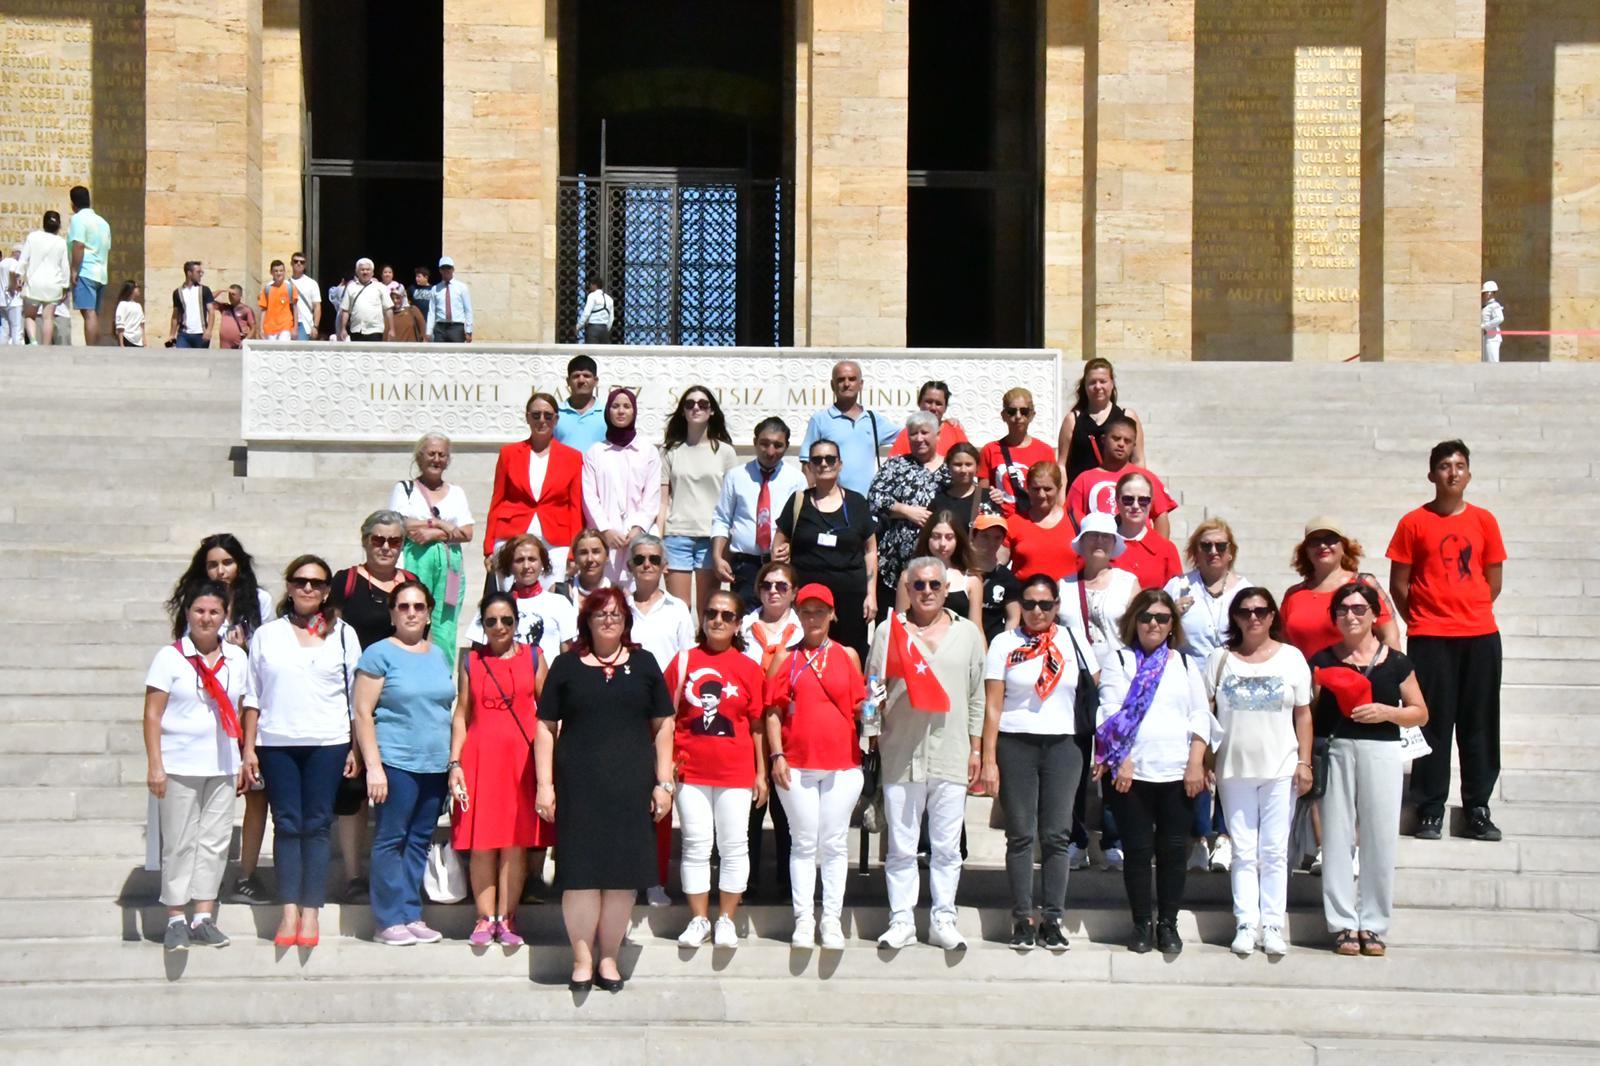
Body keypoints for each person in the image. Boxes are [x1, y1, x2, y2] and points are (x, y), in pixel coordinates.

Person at [534, 587, 675, 992]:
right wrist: (545, 785)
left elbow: (664, 723)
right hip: (578, 786)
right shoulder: (566, 665)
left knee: (620, 877)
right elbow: (545, 727)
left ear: (626, 619)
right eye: (600, 614)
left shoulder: (646, 664)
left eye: (615, 613)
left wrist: (664, 782)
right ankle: (582, 959)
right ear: (587, 621)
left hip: (631, 786)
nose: (608, 620)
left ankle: (609, 957)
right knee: (580, 876)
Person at [1387, 439, 1507, 842]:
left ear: (1469, 474)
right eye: (1443, 466)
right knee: (1432, 723)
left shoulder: (1484, 520)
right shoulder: (1413, 522)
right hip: (1430, 637)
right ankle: (1430, 807)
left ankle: (1477, 806)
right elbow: (1399, 584)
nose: (1452, 472)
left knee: (1479, 723)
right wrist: (1423, 619)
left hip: (1479, 635)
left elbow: (1493, 580)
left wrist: (1467, 612)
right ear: (1431, 474)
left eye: (1459, 465)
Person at [242, 555, 363, 948]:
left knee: (316, 824)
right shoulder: (268, 634)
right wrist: (249, 748)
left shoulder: (343, 633)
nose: (308, 588)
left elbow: (354, 697)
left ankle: (311, 911)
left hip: (328, 741)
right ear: (289, 586)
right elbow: (253, 695)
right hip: (277, 741)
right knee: (287, 824)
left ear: (327, 590)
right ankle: (289, 909)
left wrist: (355, 749)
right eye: (300, 581)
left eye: (316, 582)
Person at [870, 556, 986, 951]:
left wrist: (976, 748)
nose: (927, 592)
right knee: (901, 846)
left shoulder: (967, 633)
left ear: (946, 588)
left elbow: (976, 696)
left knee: (947, 846)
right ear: (907, 588)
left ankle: (943, 917)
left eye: (934, 585)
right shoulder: (889, 631)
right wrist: (870, 734)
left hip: (952, 752)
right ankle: (901, 918)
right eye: (918, 585)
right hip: (902, 751)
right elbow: (872, 688)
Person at [1311, 581, 1429, 957]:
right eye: (1343, 609)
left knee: (1380, 836)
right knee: (1336, 835)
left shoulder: (1396, 661)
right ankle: (1343, 922)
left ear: (1374, 614)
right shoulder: (1323, 659)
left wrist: (1387, 712)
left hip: (1382, 748)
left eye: (1359, 608)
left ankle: (1374, 923)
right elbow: (1309, 712)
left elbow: (1420, 711)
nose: (1351, 615)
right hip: (1336, 748)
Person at [979, 572, 1096, 951]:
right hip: (1016, 742)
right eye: (1029, 603)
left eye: (1045, 604)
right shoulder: (1003, 643)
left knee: (1056, 835)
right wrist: (989, 757)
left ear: (1057, 607)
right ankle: (1022, 917)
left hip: (1064, 744)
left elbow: (1093, 685)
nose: (1037, 611)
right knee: (1021, 834)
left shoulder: (1072, 640)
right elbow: (993, 705)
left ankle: (1053, 918)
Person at [1093, 587, 1213, 955]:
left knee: (1174, 850)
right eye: (1146, 617)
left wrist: (1196, 762)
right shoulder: (1119, 660)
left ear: (1172, 623)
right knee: (1138, 849)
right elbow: (1111, 708)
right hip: (1132, 771)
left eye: (1162, 618)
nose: (1154, 624)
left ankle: (1168, 924)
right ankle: (1142, 922)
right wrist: (1120, 758)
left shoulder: (1185, 663)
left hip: (1177, 771)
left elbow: (1199, 716)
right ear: (1135, 621)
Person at [166, 534, 274, 904]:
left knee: (257, 795)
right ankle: (191, 885)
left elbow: (265, 653)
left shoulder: (258, 601)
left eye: (226, 562)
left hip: (249, 708)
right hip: (208, 713)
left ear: (239, 565)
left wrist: (241, 649)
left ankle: (246, 874)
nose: (220, 570)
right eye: (212, 564)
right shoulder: (197, 602)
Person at [1207, 588, 1312, 957]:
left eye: (1261, 611)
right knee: (1243, 850)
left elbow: (1303, 714)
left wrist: (1305, 761)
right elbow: (1207, 711)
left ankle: (1272, 923)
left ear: (1272, 616)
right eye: (1246, 611)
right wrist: (1204, 759)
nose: (1254, 617)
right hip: (1233, 768)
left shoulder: (1292, 658)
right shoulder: (1220, 658)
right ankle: (1246, 922)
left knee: (1274, 850)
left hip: (1281, 766)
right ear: (1235, 617)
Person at [352, 580, 458, 946]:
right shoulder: (379, 653)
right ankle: (387, 919)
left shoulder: (438, 653)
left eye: (418, 607)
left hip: (434, 764)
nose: (411, 613)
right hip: (396, 762)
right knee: (391, 839)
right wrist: (375, 766)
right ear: (392, 613)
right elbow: (363, 713)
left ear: (429, 613)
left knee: (418, 841)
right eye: (403, 606)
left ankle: (411, 913)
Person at [145, 582, 246, 951]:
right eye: (200, 611)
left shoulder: (237, 657)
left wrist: (245, 754)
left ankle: (203, 915)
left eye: (214, 612)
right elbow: (152, 715)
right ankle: (175, 916)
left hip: (221, 763)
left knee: (216, 841)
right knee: (179, 841)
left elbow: (245, 708)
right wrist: (156, 765)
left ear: (225, 616)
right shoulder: (170, 657)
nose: (206, 618)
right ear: (188, 613)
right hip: (178, 762)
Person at [763, 584, 866, 950]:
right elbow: (772, 712)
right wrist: (776, 755)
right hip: (797, 765)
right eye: (806, 611)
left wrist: (876, 710)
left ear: (832, 614)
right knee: (804, 843)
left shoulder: (848, 655)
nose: (813, 618)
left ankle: (832, 920)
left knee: (835, 843)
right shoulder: (784, 658)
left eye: (820, 611)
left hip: (842, 764)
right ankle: (804, 919)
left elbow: (860, 708)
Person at [664, 589, 768, 948]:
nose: (718, 620)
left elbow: (756, 724)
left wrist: (761, 773)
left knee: (734, 845)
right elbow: (665, 719)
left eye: (726, 615)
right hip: (690, 770)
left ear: (738, 624)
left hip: (735, 770)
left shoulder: (749, 668)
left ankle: (726, 919)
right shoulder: (683, 661)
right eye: (711, 613)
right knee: (696, 844)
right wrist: (665, 768)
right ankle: (698, 919)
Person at [449, 591, 550, 948]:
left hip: (521, 761)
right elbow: (462, 714)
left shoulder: (534, 657)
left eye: (506, 620)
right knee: (482, 843)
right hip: (480, 758)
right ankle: (483, 917)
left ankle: (507, 918)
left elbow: (549, 713)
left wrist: (548, 768)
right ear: (483, 624)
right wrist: (455, 762)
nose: (499, 627)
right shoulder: (471, 661)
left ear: (516, 623)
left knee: (514, 844)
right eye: (491, 620)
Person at [326, 510, 415, 901]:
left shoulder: (410, 584)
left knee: (396, 787)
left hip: (398, 700)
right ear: (365, 540)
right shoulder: (345, 582)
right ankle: (353, 874)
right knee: (354, 787)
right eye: (378, 539)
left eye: (394, 541)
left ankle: (391, 874)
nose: (385, 547)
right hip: (353, 694)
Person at [1165, 518, 1249, 872]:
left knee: (1228, 762)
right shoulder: (1179, 587)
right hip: (1190, 684)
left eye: (1221, 547)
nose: (1213, 552)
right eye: (1206, 546)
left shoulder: (1244, 590)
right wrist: (1175, 615)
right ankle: (1198, 837)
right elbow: (1158, 630)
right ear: (1194, 553)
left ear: (1231, 553)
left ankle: (1226, 836)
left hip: (1231, 684)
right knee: (1195, 760)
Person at [1056, 512, 1138, 871]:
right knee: (1075, 764)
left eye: (1106, 537)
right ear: (1082, 542)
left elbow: (1136, 631)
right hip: (1077, 684)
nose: (1100, 543)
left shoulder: (1128, 581)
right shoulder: (1064, 585)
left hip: (1118, 682)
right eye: (1093, 537)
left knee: (1115, 761)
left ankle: (1115, 838)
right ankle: (1075, 838)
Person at [773, 436, 878, 659]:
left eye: (830, 459)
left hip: (850, 597)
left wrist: (871, 595)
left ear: (840, 464)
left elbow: (870, 551)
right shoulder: (799, 501)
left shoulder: (857, 502)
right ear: (809, 466)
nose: (824, 464)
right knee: (807, 651)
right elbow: (779, 543)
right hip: (808, 598)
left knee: (850, 654)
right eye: (817, 460)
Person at [387, 433, 474, 670]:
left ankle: (442, 679)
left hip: (450, 567)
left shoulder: (456, 492)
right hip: (416, 562)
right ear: (419, 457)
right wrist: (439, 524)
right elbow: (399, 524)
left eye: (442, 455)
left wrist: (434, 533)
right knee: (412, 617)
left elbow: (467, 532)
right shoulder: (404, 489)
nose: (436, 459)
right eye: (431, 454)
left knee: (445, 623)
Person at [739, 561, 799, 895]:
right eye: (767, 585)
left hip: (789, 726)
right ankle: (746, 881)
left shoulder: (803, 629)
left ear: (793, 593)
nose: (773, 591)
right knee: (750, 806)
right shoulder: (744, 627)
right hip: (749, 726)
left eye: (781, 586)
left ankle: (787, 882)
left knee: (786, 808)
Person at [486, 391, 586, 581]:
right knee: (511, 601)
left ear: (556, 419)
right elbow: (497, 501)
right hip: (511, 535)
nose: (542, 420)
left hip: (556, 540)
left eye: (548, 416)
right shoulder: (508, 454)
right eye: (536, 415)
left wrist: (574, 551)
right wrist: (489, 547)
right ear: (527, 418)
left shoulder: (572, 457)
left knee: (552, 598)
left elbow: (574, 507)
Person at [711, 416, 807, 606]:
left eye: (778, 445)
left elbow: (801, 524)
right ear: (755, 442)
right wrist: (717, 556)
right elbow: (722, 518)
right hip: (744, 565)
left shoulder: (796, 480)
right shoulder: (736, 476)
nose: (770, 451)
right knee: (744, 622)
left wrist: (790, 546)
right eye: (764, 444)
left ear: (787, 446)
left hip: (780, 566)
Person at [660, 384, 740, 612]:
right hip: (676, 537)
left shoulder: (725, 452)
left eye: (703, 404)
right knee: (679, 608)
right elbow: (663, 501)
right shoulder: (669, 451)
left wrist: (726, 544)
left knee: (708, 609)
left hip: (711, 538)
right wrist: (659, 538)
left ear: (712, 411)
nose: (696, 408)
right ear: (683, 411)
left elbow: (731, 502)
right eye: (690, 404)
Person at [868, 411, 951, 621]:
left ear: (937, 434)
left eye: (925, 432)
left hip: (936, 565)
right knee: (892, 624)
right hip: (894, 566)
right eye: (913, 433)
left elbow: (969, 495)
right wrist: (906, 511)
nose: (919, 438)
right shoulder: (897, 465)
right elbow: (874, 497)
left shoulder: (950, 469)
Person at [1281, 518, 1399, 658]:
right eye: (1314, 541)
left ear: (1343, 547)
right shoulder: (1293, 594)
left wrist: (1390, 673)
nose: (1322, 545)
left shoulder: (1364, 583)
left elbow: (1389, 636)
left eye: (1330, 539)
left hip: (1354, 677)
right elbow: (1281, 641)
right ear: (1305, 551)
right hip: (1304, 677)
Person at [583, 388, 662, 585]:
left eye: (626, 406)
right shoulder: (595, 452)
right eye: (615, 406)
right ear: (607, 412)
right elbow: (589, 496)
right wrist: (606, 530)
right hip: (606, 538)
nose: (621, 411)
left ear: (634, 412)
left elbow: (652, 495)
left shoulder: (648, 451)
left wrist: (637, 528)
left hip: (638, 538)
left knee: (639, 593)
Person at [466, 535, 578, 662]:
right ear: (510, 565)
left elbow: (568, 655)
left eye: (532, 559)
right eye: (519, 560)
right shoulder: (492, 606)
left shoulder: (560, 604)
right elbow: (475, 657)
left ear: (542, 563)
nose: (526, 566)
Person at [800, 359, 900, 497]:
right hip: (831, 504)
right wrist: (808, 500)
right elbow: (808, 465)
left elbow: (910, 436)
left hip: (866, 505)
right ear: (832, 385)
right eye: (841, 379)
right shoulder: (820, 420)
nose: (846, 384)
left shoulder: (873, 420)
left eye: (852, 379)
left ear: (861, 384)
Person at [1064, 415, 1175, 538]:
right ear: (1103, 440)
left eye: (1127, 441)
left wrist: (1160, 551)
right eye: (1116, 438)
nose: (1121, 444)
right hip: (1099, 550)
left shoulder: (1145, 478)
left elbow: (1161, 516)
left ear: (1133, 446)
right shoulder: (1084, 479)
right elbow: (1072, 518)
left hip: (1138, 551)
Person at [1058, 357, 1146, 486]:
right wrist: (1062, 500)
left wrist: (1139, 491)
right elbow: (1062, 464)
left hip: (1117, 495)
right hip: (1082, 495)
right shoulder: (1073, 420)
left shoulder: (1127, 416)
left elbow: (1138, 460)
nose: (1098, 386)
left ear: (1112, 383)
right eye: (1092, 382)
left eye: (1103, 381)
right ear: (1085, 385)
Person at [894, 512, 983, 631]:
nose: (942, 544)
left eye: (949, 537)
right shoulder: (908, 576)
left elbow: (976, 629)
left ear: (958, 540)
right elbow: (900, 624)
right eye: (936, 536)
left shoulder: (971, 581)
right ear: (927, 538)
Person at [982, 387, 1057, 520]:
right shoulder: (990, 450)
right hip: (1001, 525)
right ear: (1003, 416)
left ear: (1032, 415)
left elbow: (1053, 494)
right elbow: (982, 498)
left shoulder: (1046, 451)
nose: (1018, 416)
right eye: (1011, 411)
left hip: (1034, 523)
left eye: (1024, 411)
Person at [1004, 461, 1079, 581]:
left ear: (1059, 488)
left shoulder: (1077, 521)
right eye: (1036, 489)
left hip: (1068, 598)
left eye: (1048, 489)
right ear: (1027, 488)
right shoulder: (1014, 522)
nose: (1041, 495)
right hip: (1025, 596)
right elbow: (997, 563)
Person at [1110, 472, 1182, 590]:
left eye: (1143, 500)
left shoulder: (1166, 549)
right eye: (1128, 499)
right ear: (1117, 500)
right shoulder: (1101, 543)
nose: (1135, 506)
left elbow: (1176, 597)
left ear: (1151, 502)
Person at [67, 185, 110, 344]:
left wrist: (74, 270)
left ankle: (91, 348)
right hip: (101, 272)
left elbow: (79, 245)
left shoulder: (78, 219)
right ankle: (95, 347)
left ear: (73, 204)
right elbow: (107, 247)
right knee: (93, 314)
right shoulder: (103, 222)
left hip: (86, 270)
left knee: (89, 313)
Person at [19, 210, 70, 345]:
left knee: (30, 315)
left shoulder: (33, 237)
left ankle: (34, 341)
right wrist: (65, 286)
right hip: (53, 284)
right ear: (58, 226)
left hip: (34, 282)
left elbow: (23, 259)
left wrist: (19, 275)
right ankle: (46, 347)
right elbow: (65, 267)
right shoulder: (61, 242)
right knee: (48, 318)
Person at [971, 513, 1022, 643]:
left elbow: (1013, 619)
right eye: (985, 536)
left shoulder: (1008, 579)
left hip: (992, 645)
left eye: (997, 538)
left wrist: (1003, 647)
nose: (991, 543)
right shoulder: (960, 572)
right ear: (973, 536)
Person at [888, 379, 969, 458]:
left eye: (938, 403)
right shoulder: (907, 433)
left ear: (945, 408)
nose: (933, 407)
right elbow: (893, 466)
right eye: (929, 402)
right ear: (919, 403)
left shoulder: (955, 431)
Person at [554, 354, 607, 453]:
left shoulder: (607, 413)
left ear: (595, 381)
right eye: (576, 376)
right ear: (568, 381)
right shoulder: (555, 413)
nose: (581, 380)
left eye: (586, 376)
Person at [931, 442, 984, 532]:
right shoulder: (938, 500)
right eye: (958, 464)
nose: (963, 470)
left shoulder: (988, 498)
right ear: (948, 467)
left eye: (968, 464)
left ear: (977, 467)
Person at [557, 528, 614, 609]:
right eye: (583, 553)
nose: (590, 559)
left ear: (607, 556)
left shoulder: (619, 594)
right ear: (575, 557)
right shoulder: (560, 592)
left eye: (596, 551)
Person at [338, 258, 391, 342]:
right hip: (356, 330)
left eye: (368, 270)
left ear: (372, 272)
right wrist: (343, 329)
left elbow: (388, 309)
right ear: (357, 272)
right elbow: (345, 310)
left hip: (375, 330)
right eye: (362, 270)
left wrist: (392, 329)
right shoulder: (351, 287)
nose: (365, 272)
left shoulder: (380, 287)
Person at [166, 260, 216, 349]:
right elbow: (175, 315)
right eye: (198, 272)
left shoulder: (204, 290)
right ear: (189, 273)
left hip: (201, 334)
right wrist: (172, 334)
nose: (200, 274)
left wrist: (209, 330)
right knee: (182, 360)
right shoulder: (178, 292)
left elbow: (211, 311)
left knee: (200, 361)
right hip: (183, 335)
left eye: (201, 272)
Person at [426, 256, 472, 342]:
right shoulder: (435, 289)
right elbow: (431, 312)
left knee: (457, 354)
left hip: (456, 327)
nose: (446, 270)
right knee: (439, 354)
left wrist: (469, 331)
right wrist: (428, 332)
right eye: (443, 268)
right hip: (440, 327)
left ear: (453, 269)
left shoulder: (462, 287)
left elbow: (468, 310)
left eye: (448, 268)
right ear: (440, 270)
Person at [254, 260, 296, 340]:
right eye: (276, 271)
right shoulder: (267, 289)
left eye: (281, 271)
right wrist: (261, 328)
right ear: (271, 272)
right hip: (270, 327)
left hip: (285, 326)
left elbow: (295, 308)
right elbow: (264, 310)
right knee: (272, 351)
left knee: (283, 350)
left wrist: (295, 328)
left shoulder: (290, 288)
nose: (279, 273)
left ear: (284, 272)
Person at [288, 252, 321, 340]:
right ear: (291, 263)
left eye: (302, 262)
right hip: (287, 323)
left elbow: (317, 306)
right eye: (296, 261)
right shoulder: (286, 283)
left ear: (305, 265)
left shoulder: (311, 283)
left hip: (304, 323)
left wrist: (315, 326)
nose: (299, 263)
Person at [577, 276, 615, 344]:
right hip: (604, 329)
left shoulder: (592, 296)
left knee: (591, 353)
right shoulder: (609, 299)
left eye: (590, 284)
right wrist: (606, 329)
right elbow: (611, 318)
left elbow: (586, 313)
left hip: (593, 329)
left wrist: (578, 326)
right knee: (603, 353)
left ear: (594, 285)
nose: (590, 287)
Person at [0, 243, 22, 345]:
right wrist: (13, 287)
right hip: (13, 301)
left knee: (5, 328)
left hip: (2, 300)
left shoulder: (2, 262)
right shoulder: (14, 263)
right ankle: (17, 354)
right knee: (16, 328)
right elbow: (12, 273)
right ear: (16, 253)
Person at [114, 281, 145, 347]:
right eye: (137, 287)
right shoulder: (122, 304)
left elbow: (142, 325)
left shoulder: (138, 306)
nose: (139, 289)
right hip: (127, 339)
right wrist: (121, 344)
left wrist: (144, 341)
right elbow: (120, 326)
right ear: (131, 289)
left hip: (138, 341)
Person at [1480, 281, 1504, 364]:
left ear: (1489, 293)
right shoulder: (1487, 306)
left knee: (1493, 362)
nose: (1483, 295)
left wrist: (1485, 326)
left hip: (1492, 338)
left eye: (1485, 293)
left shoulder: (1494, 305)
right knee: (1487, 362)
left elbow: (1500, 318)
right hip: (1487, 337)